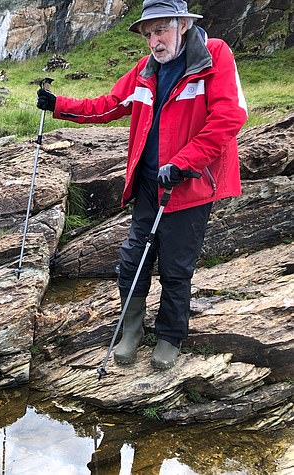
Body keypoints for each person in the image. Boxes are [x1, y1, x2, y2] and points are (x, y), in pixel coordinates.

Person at [37, 0, 247, 369]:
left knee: (177, 268)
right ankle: (131, 330)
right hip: (150, 185)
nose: (153, 41)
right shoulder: (146, 69)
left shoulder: (214, 55)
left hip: (191, 185)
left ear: (182, 25)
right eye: (148, 34)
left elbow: (229, 117)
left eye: (160, 30)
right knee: (132, 260)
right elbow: (108, 105)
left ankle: (169, 336)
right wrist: (59, 105)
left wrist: (184, 162)